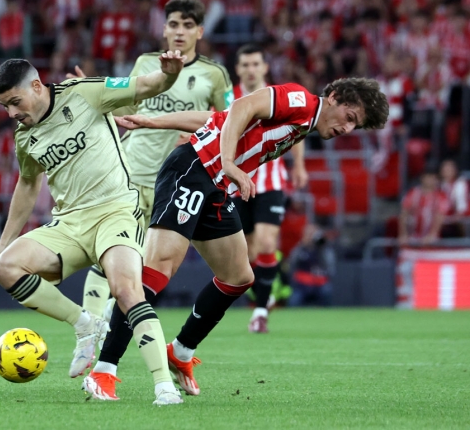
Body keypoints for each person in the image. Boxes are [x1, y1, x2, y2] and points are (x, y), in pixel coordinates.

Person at [84, 77, 388, 400]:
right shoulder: (300, 100)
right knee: (158, 270)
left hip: (216, 187)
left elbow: (220, 117)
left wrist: (152, 122)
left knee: (239, 276)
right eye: (350, 117)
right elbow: (243, 106)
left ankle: (181, 351)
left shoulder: (303, 125)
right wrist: (229, 162)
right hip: (194, 170)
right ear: (334, 97)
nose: (348, 129)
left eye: (357, 126)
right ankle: (104, 369)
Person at [0, 54, 187, 405]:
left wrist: (169, 75)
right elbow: (28, 185)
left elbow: (149, 85)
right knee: (5, 266)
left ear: (36, 86)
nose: (11, 113)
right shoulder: (25, 135)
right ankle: (85, 323)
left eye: (15, 102)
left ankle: (164, 386)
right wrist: (3, 242)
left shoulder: (86, 93)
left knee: (125, 291)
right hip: (70, 224)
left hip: (116, 213)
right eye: (4, 107)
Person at [81, 0, 234, 327]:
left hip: (177, 183)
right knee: (108, 255)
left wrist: (198, 135)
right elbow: (125, 109)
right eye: (174, 24)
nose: (180, 31)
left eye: (188, 25)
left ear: (200, 32)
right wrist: (88, 93)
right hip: (132, 173)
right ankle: (89, 329)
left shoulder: (214, 74)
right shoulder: (145, 63)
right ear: (164, 29)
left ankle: (112, 326)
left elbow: (230, 122)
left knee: (146, 268)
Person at [231, 43, 308, 333]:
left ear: (264, 67)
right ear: (238, 69)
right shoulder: (228, 97)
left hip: (271, 181)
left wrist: (299, 166)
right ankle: (264, 295)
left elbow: (297, 132)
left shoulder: (278, 97)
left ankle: (261, 311)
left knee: (266, 244)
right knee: (248, 254)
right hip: (237, 184)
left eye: (255, 64)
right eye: (245, 65)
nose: (251, 70)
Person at [398, 168, 449, 245]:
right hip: (413, 237)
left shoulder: (441, 196)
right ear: (422, 178)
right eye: (429, 177)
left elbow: (440, 215)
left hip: (433, 239)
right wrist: (403, 234)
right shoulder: (412, 193)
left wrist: (433, 234)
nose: (431, 180)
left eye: (434, 178)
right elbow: (404, 213)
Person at [287, 224, 334, 307]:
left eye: (313, 234)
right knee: (294, 300)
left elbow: (329, 266)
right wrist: (304, 244)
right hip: (302, 285)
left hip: (319, 284)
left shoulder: (323, 249)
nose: (310, 237)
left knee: (326, 291)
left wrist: (320, 245)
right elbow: (291, 265)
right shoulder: (299, 249)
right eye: (308, 234)